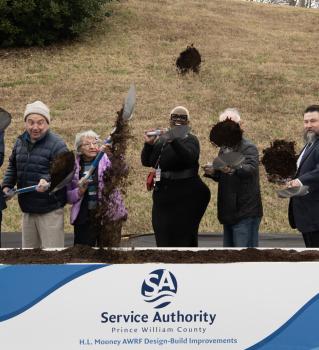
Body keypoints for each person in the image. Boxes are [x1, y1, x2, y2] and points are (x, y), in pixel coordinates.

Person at [141, 106, 211, 247]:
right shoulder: (162, 140)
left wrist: (174, 140)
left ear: (188, 122)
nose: (178, 119)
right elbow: (147, 162)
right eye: (175, 117)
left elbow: (188, 158)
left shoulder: (191, 140)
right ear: (170, 120)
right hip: (164, 193)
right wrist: (148, 145)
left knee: (183, 238)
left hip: (188, 195)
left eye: (182, 117)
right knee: (162, 235)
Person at [2, 101, 68, 248]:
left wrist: (48, 181)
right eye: (30, 122)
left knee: (52, 259)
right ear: (25, 123)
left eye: (40, 123)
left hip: (49, 211)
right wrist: (7, 186)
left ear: (48, 123)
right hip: (28, 210)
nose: (35, 127)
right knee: (29, 258)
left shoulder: (57, 144)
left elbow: (64, 175)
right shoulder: (20, 142)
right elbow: (13, 166)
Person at [204, 108, 263, 247]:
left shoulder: (249, 147)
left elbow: (250, 169)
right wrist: (214, 172)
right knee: (229, 257)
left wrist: (232, 166)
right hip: (229, 212)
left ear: (240, 125)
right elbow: (224, 174)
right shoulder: (224, 148)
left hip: (246, 212)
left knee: (245, 258)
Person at [67, 130, 127, 247]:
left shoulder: (106, 159)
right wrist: (79, 192)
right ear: (79, 148)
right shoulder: (74, 167)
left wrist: (112, 155)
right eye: (87, 144)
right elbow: (68, 196)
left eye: (95, 143)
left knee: (109, 254)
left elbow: (122, 170)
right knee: (83, 254)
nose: (92, 147)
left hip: (109, 216)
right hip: (84, 218)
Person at [287, 105, 319, 247]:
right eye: (306, 122)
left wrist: (299, 181)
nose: (308, 125)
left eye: (313, 121)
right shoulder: (310, 144)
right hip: (308, 217)